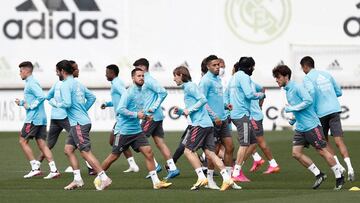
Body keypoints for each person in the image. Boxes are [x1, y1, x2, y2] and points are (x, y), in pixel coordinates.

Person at [272, 64, 345, 190]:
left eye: (278, 77)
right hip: (301, 127)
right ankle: (319, 174)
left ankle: (339, 177)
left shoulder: (297, 87)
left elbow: (308, 101)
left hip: (312, 126)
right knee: (296, 153)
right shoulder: (288, 90)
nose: (276, 80)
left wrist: (292, 108)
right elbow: (299, 106)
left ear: (285, 76)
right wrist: (294, 119)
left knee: (322, 151)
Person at [100, 68, 172, 189]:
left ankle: (156, 182)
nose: (141, 78)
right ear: (133, 78)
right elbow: (120, 109)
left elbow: (138, 108)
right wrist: (136, 115)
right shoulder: (128, 93)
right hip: (123, 131)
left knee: (148, 152)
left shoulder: (142, 91)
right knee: (114, 156)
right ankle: (100, 177)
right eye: (138, 76)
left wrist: (145, 116)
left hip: (137, 130)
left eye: (143, 76)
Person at [49, 60, 111, 190]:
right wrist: (83, 110)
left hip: (78, 124)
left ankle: (104, 178)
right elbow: (92, 98)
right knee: (68, 150)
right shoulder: (78, 84)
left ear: (62, 71)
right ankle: (77, 180)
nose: (56, 73)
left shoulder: (65, 85)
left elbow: (66, 104)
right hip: (80, 122)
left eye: (57, 71)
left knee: (85, 152)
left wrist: (55, 103)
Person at [173, 65, 234, 191]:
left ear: (180, 75)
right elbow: (200, 105)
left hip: (200, 124)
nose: (174, 79)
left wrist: (188, 110)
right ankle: (227, 179)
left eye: (175, 76)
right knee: (210, 153)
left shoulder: (190, 86)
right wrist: (181, 111)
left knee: (187, 151)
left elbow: (202, 100)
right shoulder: (189, 87)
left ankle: (201, 177)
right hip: (207, 124)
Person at [300, 56, 354, 181]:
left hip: (321, 113)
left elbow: (310, 95)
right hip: (335, 110)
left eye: (302, 68)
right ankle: (350, 167)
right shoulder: (326, 74)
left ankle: (339, 166)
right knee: (339, 141)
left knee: (325, 142)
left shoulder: (307, 78)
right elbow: (339, 92)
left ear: (305, 67)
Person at [133, 58, 179, 180]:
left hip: (151, 117)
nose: (136, 71)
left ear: (143, 67)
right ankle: (173, 168)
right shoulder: (145, 80)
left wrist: (153, 106)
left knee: (138, 141)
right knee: (160, 143)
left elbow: (163, 92)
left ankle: (156, 165)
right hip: (155, 116)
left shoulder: (148, 80)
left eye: (137, 68)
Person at [199, 55, 239, 190]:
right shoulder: (205, 81)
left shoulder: (217, 79)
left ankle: (229, 180)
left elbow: (216, 99)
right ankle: (210, 180)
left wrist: (225, 106)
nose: (218, 67)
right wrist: (213, 116)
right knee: (213, 151)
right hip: (212, 121)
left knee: (230, 147)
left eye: (218, 65)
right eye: (215, 65)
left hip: (222, 119)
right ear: (208, 67)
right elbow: (202, 102)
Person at [15, 61, 60, 179]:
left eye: (20, 71)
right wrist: (22, 103)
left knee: (22, 141)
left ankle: (35, 167)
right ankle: (54, 169)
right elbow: (34, 99)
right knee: (42, 144)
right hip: (41, 118)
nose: (20, 74)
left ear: (26, 71)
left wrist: (31, 106)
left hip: (33, 119)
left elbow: (41, 96)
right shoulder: (31, 82)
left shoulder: (31, 83)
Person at [225, 57, 265, 182]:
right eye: (252, 67)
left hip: (236, 114)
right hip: (242, 114)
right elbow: (249, 94)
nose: (253, 69)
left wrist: (228, 106)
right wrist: (261, 95)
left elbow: (226, 95)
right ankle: (236, 173)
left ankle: (238, 167)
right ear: (249, 67)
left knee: (253, 142)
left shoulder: (234, 77)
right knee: (244, 144)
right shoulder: (244, 77)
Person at [241, 57, 280, 174]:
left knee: (255, 142)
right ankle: (262, 161)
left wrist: (259, 105)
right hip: (253, 115)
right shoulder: (248, 81)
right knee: (248, 140)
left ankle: (239, 165)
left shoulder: (245, 81)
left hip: (253, 116)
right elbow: (262, 89)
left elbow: (261, 90)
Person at [100, 64, 140, 173]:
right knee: (114, 141)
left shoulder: (117, 83)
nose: (105, 74)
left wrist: (125, 110)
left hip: (123, 118)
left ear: (112, 73)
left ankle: (101, 173)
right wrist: (107, 104)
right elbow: (119, 99)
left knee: (114, 142)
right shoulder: (115, 83)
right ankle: (132, 164)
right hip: (121, 118)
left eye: (107, 72)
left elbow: (125, 95)